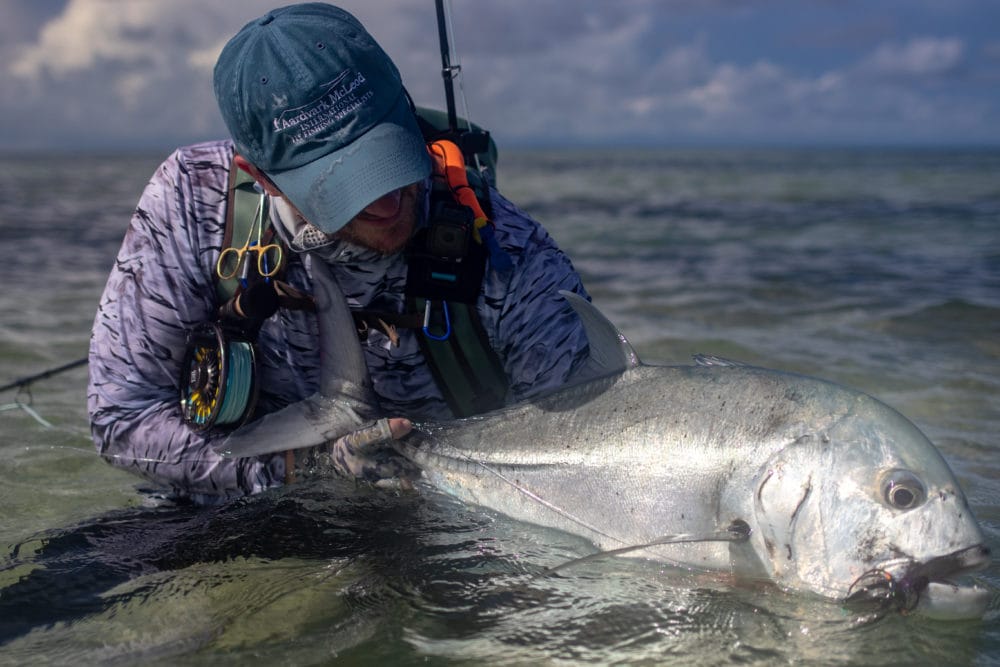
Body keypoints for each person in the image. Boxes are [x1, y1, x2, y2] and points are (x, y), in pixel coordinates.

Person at [87, 2, 591, 505]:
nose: (389, 201)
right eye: (346, 186)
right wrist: (304, 471)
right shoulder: (190, 201)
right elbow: (122, 419)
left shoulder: (515, 256)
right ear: (262, 178)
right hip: (235, 505)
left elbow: (583, 453)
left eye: (393, 158)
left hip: (435, 516)